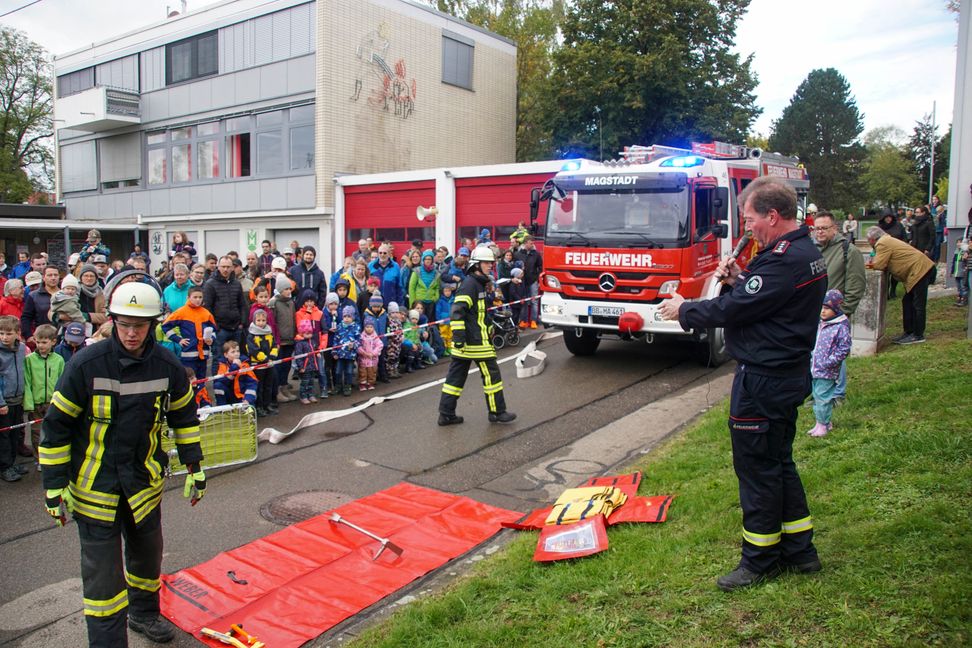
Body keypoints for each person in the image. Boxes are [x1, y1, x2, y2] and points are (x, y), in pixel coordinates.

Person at [658, 176, 826, 591]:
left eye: (750, 219)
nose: (746, 227)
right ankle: (800, 551)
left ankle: (760, 560)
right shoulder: (803, 253)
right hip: (785, 375)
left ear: (772, 215)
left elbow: (736, 309)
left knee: (757, 471)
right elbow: (764, 301)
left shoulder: (783, 259)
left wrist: (684, 308)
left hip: (764, 380)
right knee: (779, 462)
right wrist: (740, 279)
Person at [39, 274, 204, 646]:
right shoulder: (85, 364)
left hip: (144, 484)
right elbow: (56, 428)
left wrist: (195, 467)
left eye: (140, 326)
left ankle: (144, 614)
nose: (131, 333)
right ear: (113, 321)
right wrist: (53, 485)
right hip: (95, 489)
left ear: (153, 324)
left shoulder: (167, 364)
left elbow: (184, 417)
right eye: (125, 325)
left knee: (147, 560)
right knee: (104, 582)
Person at [437, 246, 516, 426]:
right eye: (487, 263)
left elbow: (476, 313)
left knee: (455, 379)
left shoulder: (476, 283)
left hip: (470, 341)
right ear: (476, 265)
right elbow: (457, 313)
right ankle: (497, 412)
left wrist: (488, 325)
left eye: (492, 263)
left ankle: (446, 414)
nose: (491, 266)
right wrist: (459, 339)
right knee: (492, 376)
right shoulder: (470, 285)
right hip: (474, 342)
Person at [812, 212, 866, 404]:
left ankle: (837, 394)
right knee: (817, 353)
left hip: (835, 314)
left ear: (834, 228)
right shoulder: (813, 250)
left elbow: (856, 284)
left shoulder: (848, 251)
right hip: (815, 313)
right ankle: (820, 392)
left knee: (836, 355)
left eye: (824, 228)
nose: (819, 232)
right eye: (816, 228)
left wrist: (843, 312)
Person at [866, 225, 936, 345]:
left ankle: (918, 335)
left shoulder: (882, 243)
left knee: (918, 304)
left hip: (920, 270)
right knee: (907, 301)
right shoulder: (887, 240)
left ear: (872, 238)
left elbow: (879, 264)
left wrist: (867, 265)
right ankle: (909, 332)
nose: (868, 242)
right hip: (918, 270)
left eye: (868, 240)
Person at [808, 290, 852, 437]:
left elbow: (844, 349)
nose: (823, 311)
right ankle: (821, 422)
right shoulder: (821, 324)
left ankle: (823, 425)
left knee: (822, 397)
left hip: (826, 370)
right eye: (821, 307)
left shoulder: (840, 327)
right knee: (817, 395)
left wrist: (829, 362)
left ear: (835, 309)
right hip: (815, 368)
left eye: (826, 308)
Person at [23, 324, 64, 471]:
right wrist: (29, 403)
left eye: (44, 342)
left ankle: (53, 457)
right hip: (36, 403)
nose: (40, 345)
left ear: (53, 342)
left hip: (53, 403)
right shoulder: (29, 360)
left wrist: (59, 400)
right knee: (36, 433)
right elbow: (27, 382)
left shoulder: (59, 360)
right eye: (38, 342)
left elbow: (61, 381)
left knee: (53, 431)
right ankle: (39, 459)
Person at [162, 285, 216, 382]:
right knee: (189, 381)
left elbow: (214, 329)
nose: (198, 300)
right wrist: (178, 339)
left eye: (200, 297)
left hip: (203, 354)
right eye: (195, 297)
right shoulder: (181, 312)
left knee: (202, 380)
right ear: (188, 298)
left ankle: (201, 396)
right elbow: (165, 326)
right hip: (188, 354)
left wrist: (211, 339)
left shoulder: (206, 313)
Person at [203, 256, 247, 373]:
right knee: (219, 358)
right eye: (223, 267)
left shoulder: (236, 284)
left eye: (228, 267)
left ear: (232, 268)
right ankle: (218, 386)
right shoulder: (210, 284)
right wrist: (215, 327)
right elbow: (207, 308)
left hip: (236, 328)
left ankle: (234, 384)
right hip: (220, 329)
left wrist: (242, 323)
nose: (226, 269)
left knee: (236, 358)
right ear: (218, 267)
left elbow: (242, 304)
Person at [0, 315, 28, 482]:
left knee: (15, 434)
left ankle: (11, 462)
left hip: (18, 399)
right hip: (4, 402)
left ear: (18, 333)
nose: (4, 337)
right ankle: (4, 467)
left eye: (9, 333)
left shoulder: (21, 349)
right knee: (3, 437)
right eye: (1, 333)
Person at [267, 274, 297, 402]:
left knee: (287, 365)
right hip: (280, 341)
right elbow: (273, 323)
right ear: (280, 290)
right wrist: (275, 340)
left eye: (290, 289)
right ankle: (277, 390)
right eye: (286, 289)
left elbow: (293, 319)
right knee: (278, 366)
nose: (288, 291)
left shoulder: (291, 302)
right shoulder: (274, 303)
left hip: (290, 339)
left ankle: (285, 386)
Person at [245, 308, 279, 417]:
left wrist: (272, 357)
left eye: (263, 320)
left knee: (268, 386)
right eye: (258, 320)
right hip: (258, 365)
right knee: (259, 387)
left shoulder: (269, 332)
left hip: (269, 364)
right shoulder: (251, 335)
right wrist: (265, 359)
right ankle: (259, 407)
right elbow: (253, 350)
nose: (261, 323)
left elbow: (274, 346)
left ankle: (267, 405)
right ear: (254, 321)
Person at [213, 341, 257, 406]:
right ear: (226, 355)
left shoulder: (245, 364)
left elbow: (252, 383)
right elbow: (219, 381)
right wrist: (234, 367)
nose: (236, 354)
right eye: (233, 352)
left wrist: (247, 399)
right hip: (229, 396)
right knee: (218, 385)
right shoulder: (222, 364)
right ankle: (222, 410)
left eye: (238, 351)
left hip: (242, 396)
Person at [514, 236, 542, 329]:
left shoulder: (536, 254)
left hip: (533, 280)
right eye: (530, 243)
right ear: (525, 243)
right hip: (522, 281)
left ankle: (533, 320)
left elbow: (540, 266)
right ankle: (524, 321)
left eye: (532, 243)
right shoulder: (518, 254)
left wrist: (537, 277)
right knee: (524, 301)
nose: (532, 244)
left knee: (534, 301)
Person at [333, 305, 361, 396]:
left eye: (349, 316)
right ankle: (338, 385)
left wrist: (354, 345)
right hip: (340, 354)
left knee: (349, 371)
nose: (346, 319)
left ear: (352, 317)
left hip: (350, 355)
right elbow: (335, 340)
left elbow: (359, 340)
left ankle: (347, 386)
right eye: (345, 316)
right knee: (338, 371)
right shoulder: (339, 326)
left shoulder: (356, 327)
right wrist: (334, 352)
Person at [293, 319, 319, 404]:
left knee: (311, 381)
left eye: (310, 332)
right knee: (305, 382)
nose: (309, 335)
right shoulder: (300, 344)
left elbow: (315, 349)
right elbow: (298, 356)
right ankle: (303, 396)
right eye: (306, 333)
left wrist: (317, 353)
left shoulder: (312, 341)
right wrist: (301, 367)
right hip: (305, 367)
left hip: (312, 365)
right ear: (302, 333)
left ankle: (310, 395)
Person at [368, 244, 403, 308]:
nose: (382, 255)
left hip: (391, 304)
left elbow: (399, 287)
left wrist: (400, 305)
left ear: (389, 254)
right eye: (380, 253)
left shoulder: (395, 266)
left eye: (385, 253)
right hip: (374, 304)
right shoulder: (371, 266)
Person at [357, 315, 384, 391]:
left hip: (373, 359)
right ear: (364, 327)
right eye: (367, 327)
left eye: (371, 327)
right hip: (363, 359)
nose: (369, 329)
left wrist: (373, 353)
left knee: (372, 372)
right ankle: (362, 384)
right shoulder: (361, 337)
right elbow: (358, 346)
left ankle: (371, 383)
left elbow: (379, 345)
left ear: (373, 328)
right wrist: (363, 352)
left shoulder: (375, 337)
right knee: (363, 372)